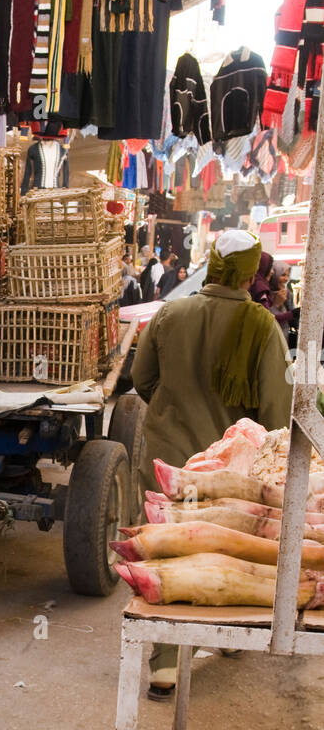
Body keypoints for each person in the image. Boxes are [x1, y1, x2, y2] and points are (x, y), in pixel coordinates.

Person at [132, 228, 292, 699]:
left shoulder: (170, 312)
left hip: (165, 461)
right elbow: (278, 415)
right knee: (228, 556)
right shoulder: (262, 327)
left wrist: (173, 413)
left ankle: (164, 666)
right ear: (249, 272)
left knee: (163, 553)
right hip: (228, 476)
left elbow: (142, 381)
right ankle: (229, 637)